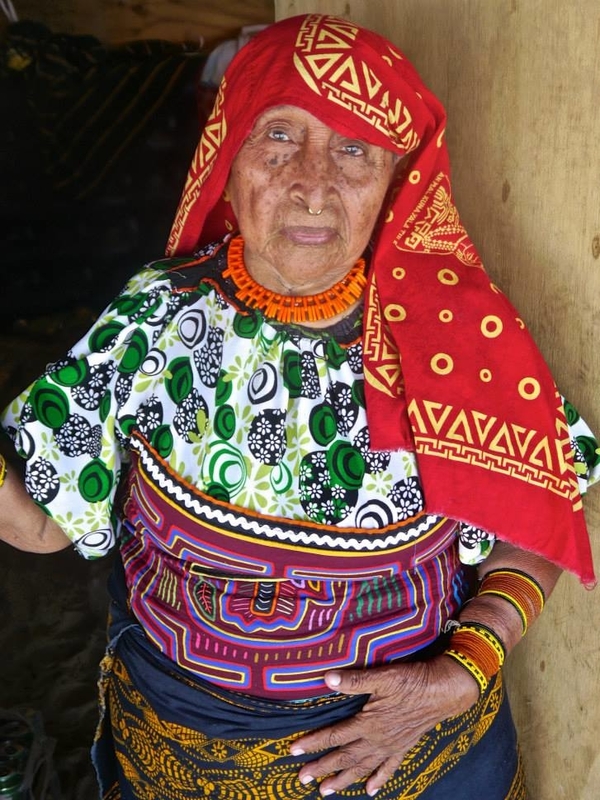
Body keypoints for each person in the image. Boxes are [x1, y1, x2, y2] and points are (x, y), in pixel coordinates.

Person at [0, 13, 598, 800]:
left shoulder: (451, 331)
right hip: (183, 756)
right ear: (229, 156)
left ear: (393, 177)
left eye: (354, 149)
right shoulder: (155, 319)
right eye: (278, 136)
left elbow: (544, 507)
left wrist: (471, 664)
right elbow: (44, 522)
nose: (312, 182)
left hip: (423, 759)